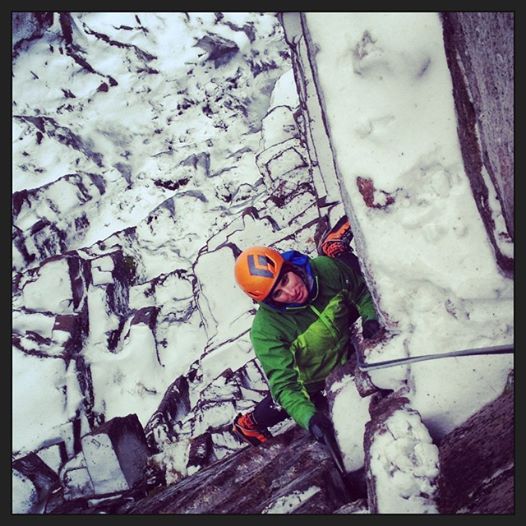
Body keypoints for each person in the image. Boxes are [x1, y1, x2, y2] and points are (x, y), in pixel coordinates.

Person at [231, 216, 381, 446]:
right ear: (268, 302)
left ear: (290, 267)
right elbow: (286, 385)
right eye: (277, 294)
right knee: (283, 402)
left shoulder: (325, 270)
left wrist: (370, 318)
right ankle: (249, 424)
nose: (290, 293)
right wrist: (310, 419)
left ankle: (334, 247)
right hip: (311, 380)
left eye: (285, 280)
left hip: (343, 345)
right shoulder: (266, 331)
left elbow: (360, 290)